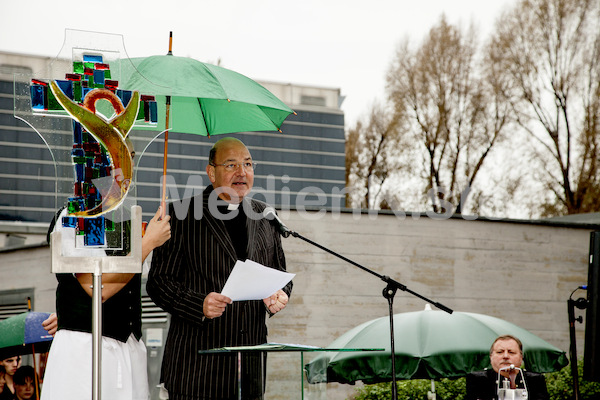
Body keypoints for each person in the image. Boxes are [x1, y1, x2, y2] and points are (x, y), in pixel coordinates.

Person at [147, 137, 292, 400]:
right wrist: (198, 304)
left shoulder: (266, 215)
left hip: (249, 369)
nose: (242, 172)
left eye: (248, 164)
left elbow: (280, 273)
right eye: (231, 164)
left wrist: (279, 292)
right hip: (196, 369)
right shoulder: (181, 214)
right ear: (211, 172)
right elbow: (158, 282)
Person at [40, 206, 171, 400]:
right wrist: (148, 242)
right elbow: (99, 288)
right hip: (90, 350)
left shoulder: (122, 217)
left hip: (126, 346)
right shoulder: (79, 213)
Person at [466, 335, 550, 400]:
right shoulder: (478, 379)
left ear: (521, 358)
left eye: (511, 352)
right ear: (491, 357)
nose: (505, 356)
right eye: (500, 352)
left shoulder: (535, 380)